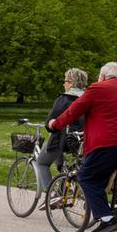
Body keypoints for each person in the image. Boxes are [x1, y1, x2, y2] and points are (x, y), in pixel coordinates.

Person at [48, 61, 117, 232]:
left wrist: (55, 124)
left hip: (110, 143)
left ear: (103, 76)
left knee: (87, 177)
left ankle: (106, 219)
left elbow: (74, 111)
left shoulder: (98, 88)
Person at [35, 68, 88, 208]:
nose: (63, 84)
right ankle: (65, 187)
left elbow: (52, 121)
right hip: (83, 139)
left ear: (71, 83)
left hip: (64, 139)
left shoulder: (65, 98)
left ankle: (53, 196)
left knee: (41, 162)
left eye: (65, 81)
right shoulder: (88, 97)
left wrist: (49, 125)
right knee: (65, 165)